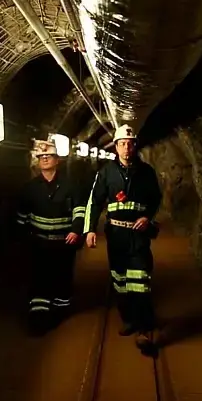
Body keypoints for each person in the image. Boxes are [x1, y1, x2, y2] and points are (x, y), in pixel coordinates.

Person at [82, 124, 163, 352]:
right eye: (122, 144)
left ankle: (144, 329)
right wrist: (90, 230)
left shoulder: (146, 172)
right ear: (116, 147)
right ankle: (128, 319)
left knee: (140, 279)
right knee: (120, 280)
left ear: (135, 146)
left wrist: (147, 217)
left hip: (138, 235)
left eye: (130, 144)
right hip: (116, 235)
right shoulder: (106, 173)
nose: (126, 148)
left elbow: (156, 199)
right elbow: (95, 201)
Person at [16, 139, 86, 335]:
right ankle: (38, 318)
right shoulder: (30, 188)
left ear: (57, 160)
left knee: (62, 278)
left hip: (63, 243)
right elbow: (22, 217)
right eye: (41, 157)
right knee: (39, 279)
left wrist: (76, 230)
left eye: (49, 156)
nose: (45, 159)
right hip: (40, 243)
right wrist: (23, 240)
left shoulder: (71, 185)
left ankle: (59, 311)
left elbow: (80, 210)